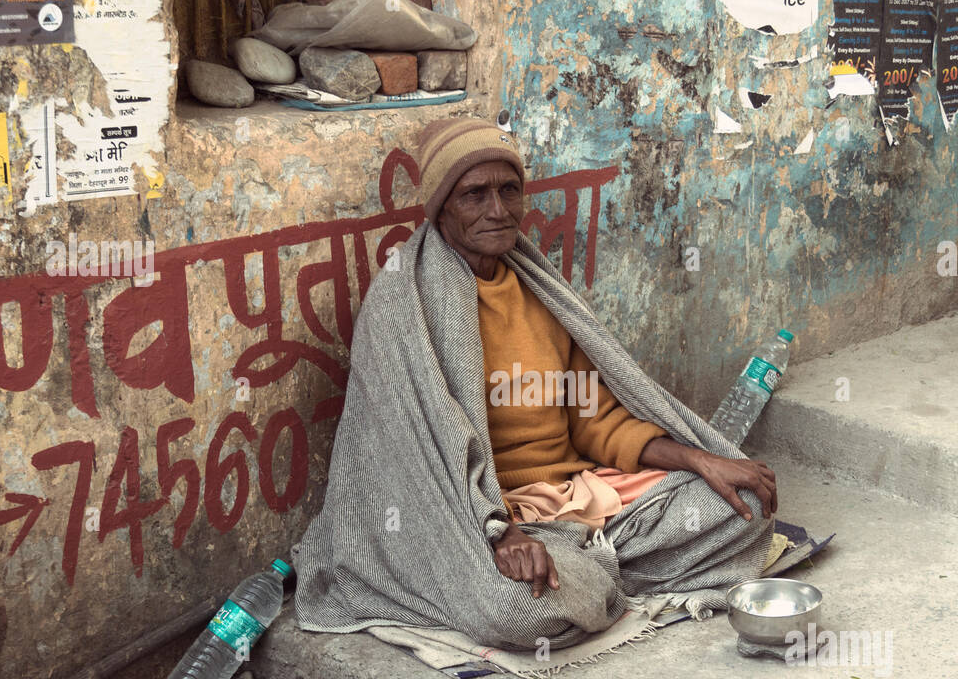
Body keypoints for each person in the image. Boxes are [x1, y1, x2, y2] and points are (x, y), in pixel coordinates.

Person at [293, 117, 779, 651]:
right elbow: (414, 462)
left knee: (744, 504)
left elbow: (594, 422)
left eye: (509, 191)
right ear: (439, 207)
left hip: (577, 497)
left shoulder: (538, 289)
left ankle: (586, 573)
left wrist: (698, 458)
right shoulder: (400, 306)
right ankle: (585, 575)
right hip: (474, 513)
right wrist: (503, 532)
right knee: (516, 608)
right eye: (474, 195)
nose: (497, 211)